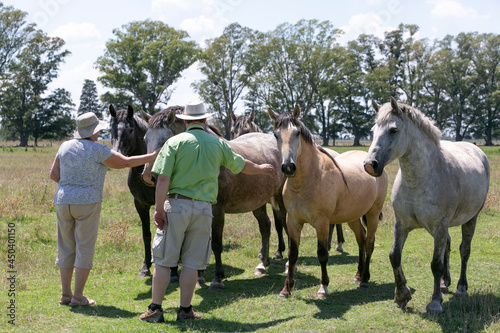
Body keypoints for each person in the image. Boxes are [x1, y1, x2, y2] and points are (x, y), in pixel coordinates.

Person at [139, 101, 275, 323]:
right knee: (192, 263)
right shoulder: (217, 143)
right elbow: (240, 165)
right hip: (204, 209)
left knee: (164, 261)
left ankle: (155, 309)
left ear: (184, 121)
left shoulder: (173, 143)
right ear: (204, 121)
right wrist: (261, 169)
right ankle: (185, 310)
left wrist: (159, 208)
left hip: (177, 206)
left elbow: (162, 179)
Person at [49, 112, 159, 307]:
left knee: (66, 247)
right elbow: (125, 163)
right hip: (87, 203)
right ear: (94, 132)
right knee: (84, 248)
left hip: (63, 200)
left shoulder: (64, 146)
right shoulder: (98, 150)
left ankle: (65, 294)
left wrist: (71, 186)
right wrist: (153, 155)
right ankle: (78, 297)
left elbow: (53, 174)